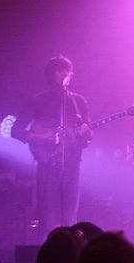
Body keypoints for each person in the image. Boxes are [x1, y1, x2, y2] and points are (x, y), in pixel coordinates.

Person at [11, 55, 92, 231]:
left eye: (68, 70)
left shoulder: (78, 102)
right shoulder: (39, 100)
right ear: (51, 75)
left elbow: (87, 140)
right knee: (49, 217)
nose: (65, 73)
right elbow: (15, 130)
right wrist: (41, 138)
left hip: (73, 164)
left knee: (71, 217)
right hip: (47, 165)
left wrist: (84, 135)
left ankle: (71, 253)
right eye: (60, 69)